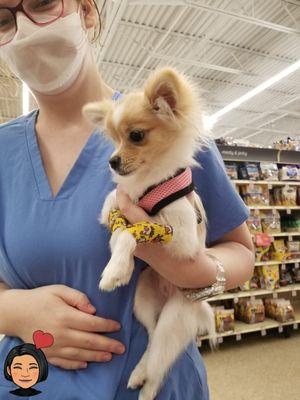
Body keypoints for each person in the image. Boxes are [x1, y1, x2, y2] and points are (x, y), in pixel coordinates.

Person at [0, 0, 255, 399]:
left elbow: (241, 251)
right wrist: (13, 312)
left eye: (43, 3)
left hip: (156, 382)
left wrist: (198, 272)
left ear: (86, 11)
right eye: (2, 18)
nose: (26, 28)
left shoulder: (175, 136)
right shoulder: (3, 152)